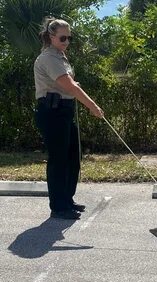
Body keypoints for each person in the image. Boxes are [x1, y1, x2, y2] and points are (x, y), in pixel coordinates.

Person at [34, 17, 104, 220]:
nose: (66, 42)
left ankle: (67, 199)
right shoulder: (49, 58)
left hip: (63, 112)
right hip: (52, 113)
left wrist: (72, 87)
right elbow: (69, 86)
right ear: (51, 37)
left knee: (72, 156)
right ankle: (59, 207)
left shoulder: (60, 56)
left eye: (69, 38)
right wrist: (92, 106)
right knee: (59, 160)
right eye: (62, 38)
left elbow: (67, 83)